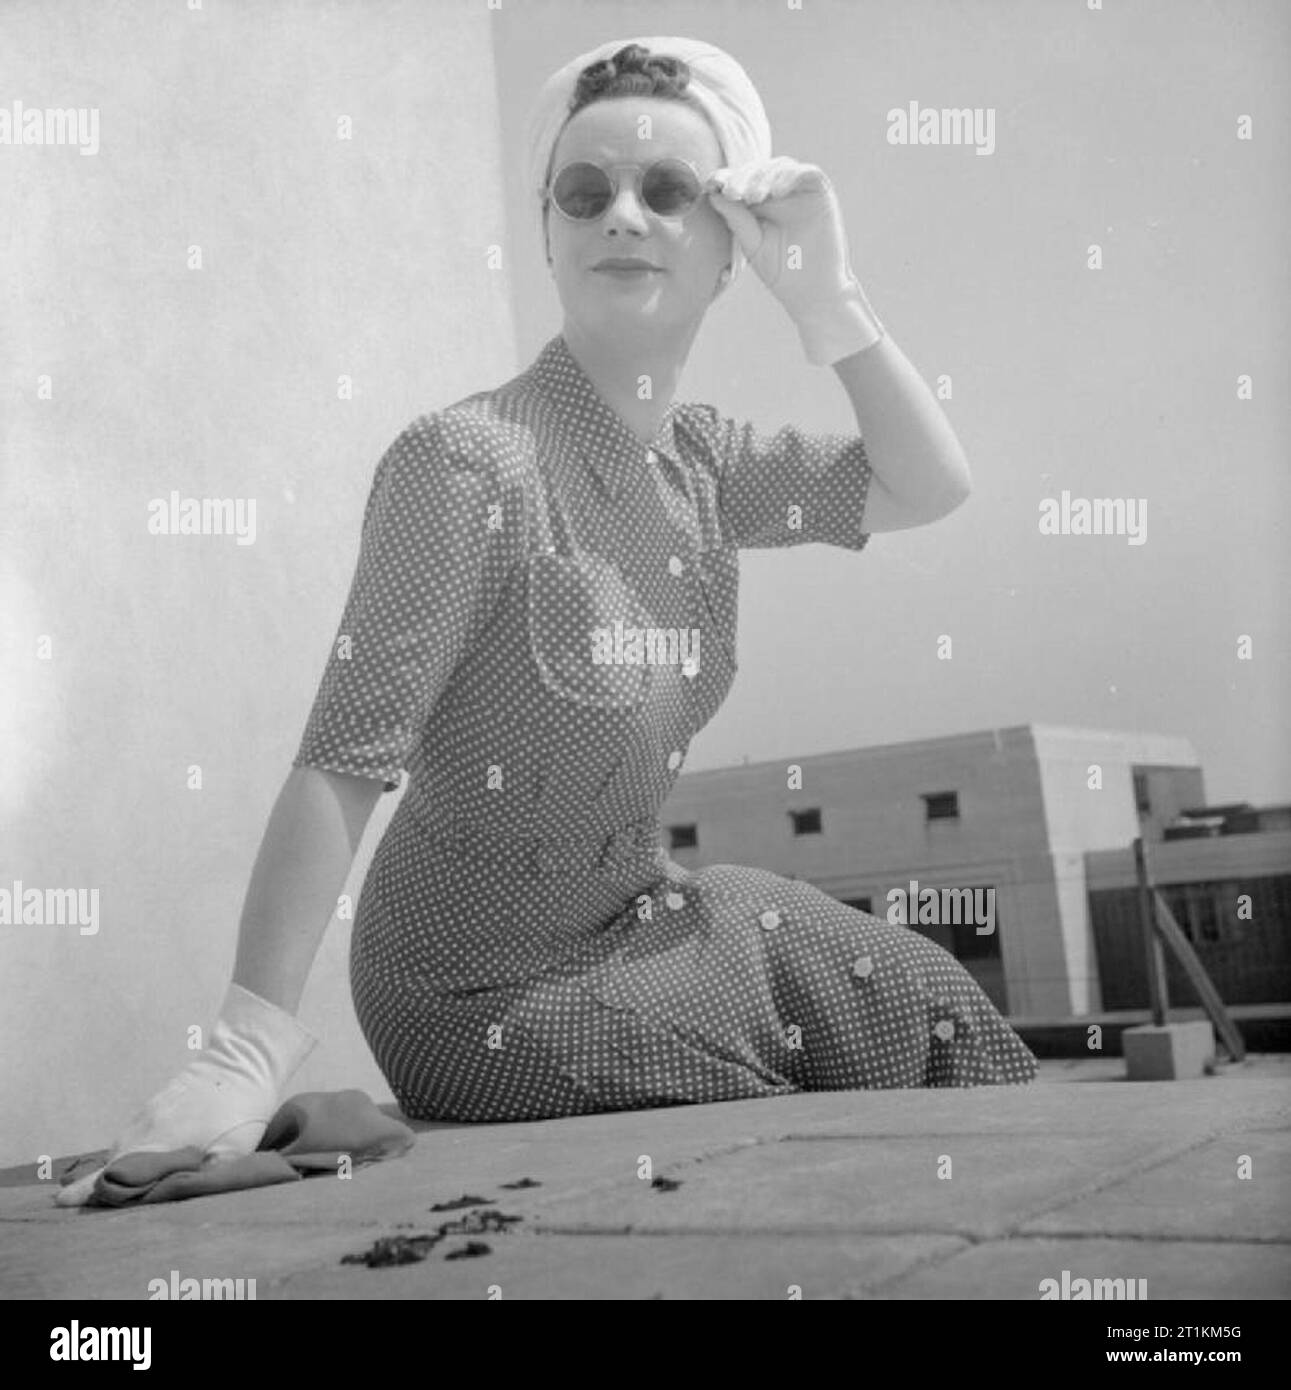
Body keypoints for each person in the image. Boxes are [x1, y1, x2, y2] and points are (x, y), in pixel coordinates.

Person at [58, 35, 1034, 1206]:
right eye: (586, 193)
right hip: (472, 987)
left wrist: (830, 301)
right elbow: (344, 763)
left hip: (638, 916)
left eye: (668, 191)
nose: (622, 214)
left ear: (729, 249)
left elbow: (928, 485)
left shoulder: (711, 465)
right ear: (550, 235)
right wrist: (242, 1050)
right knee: (813, 1065)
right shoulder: (467, 463)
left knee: (915, 993)